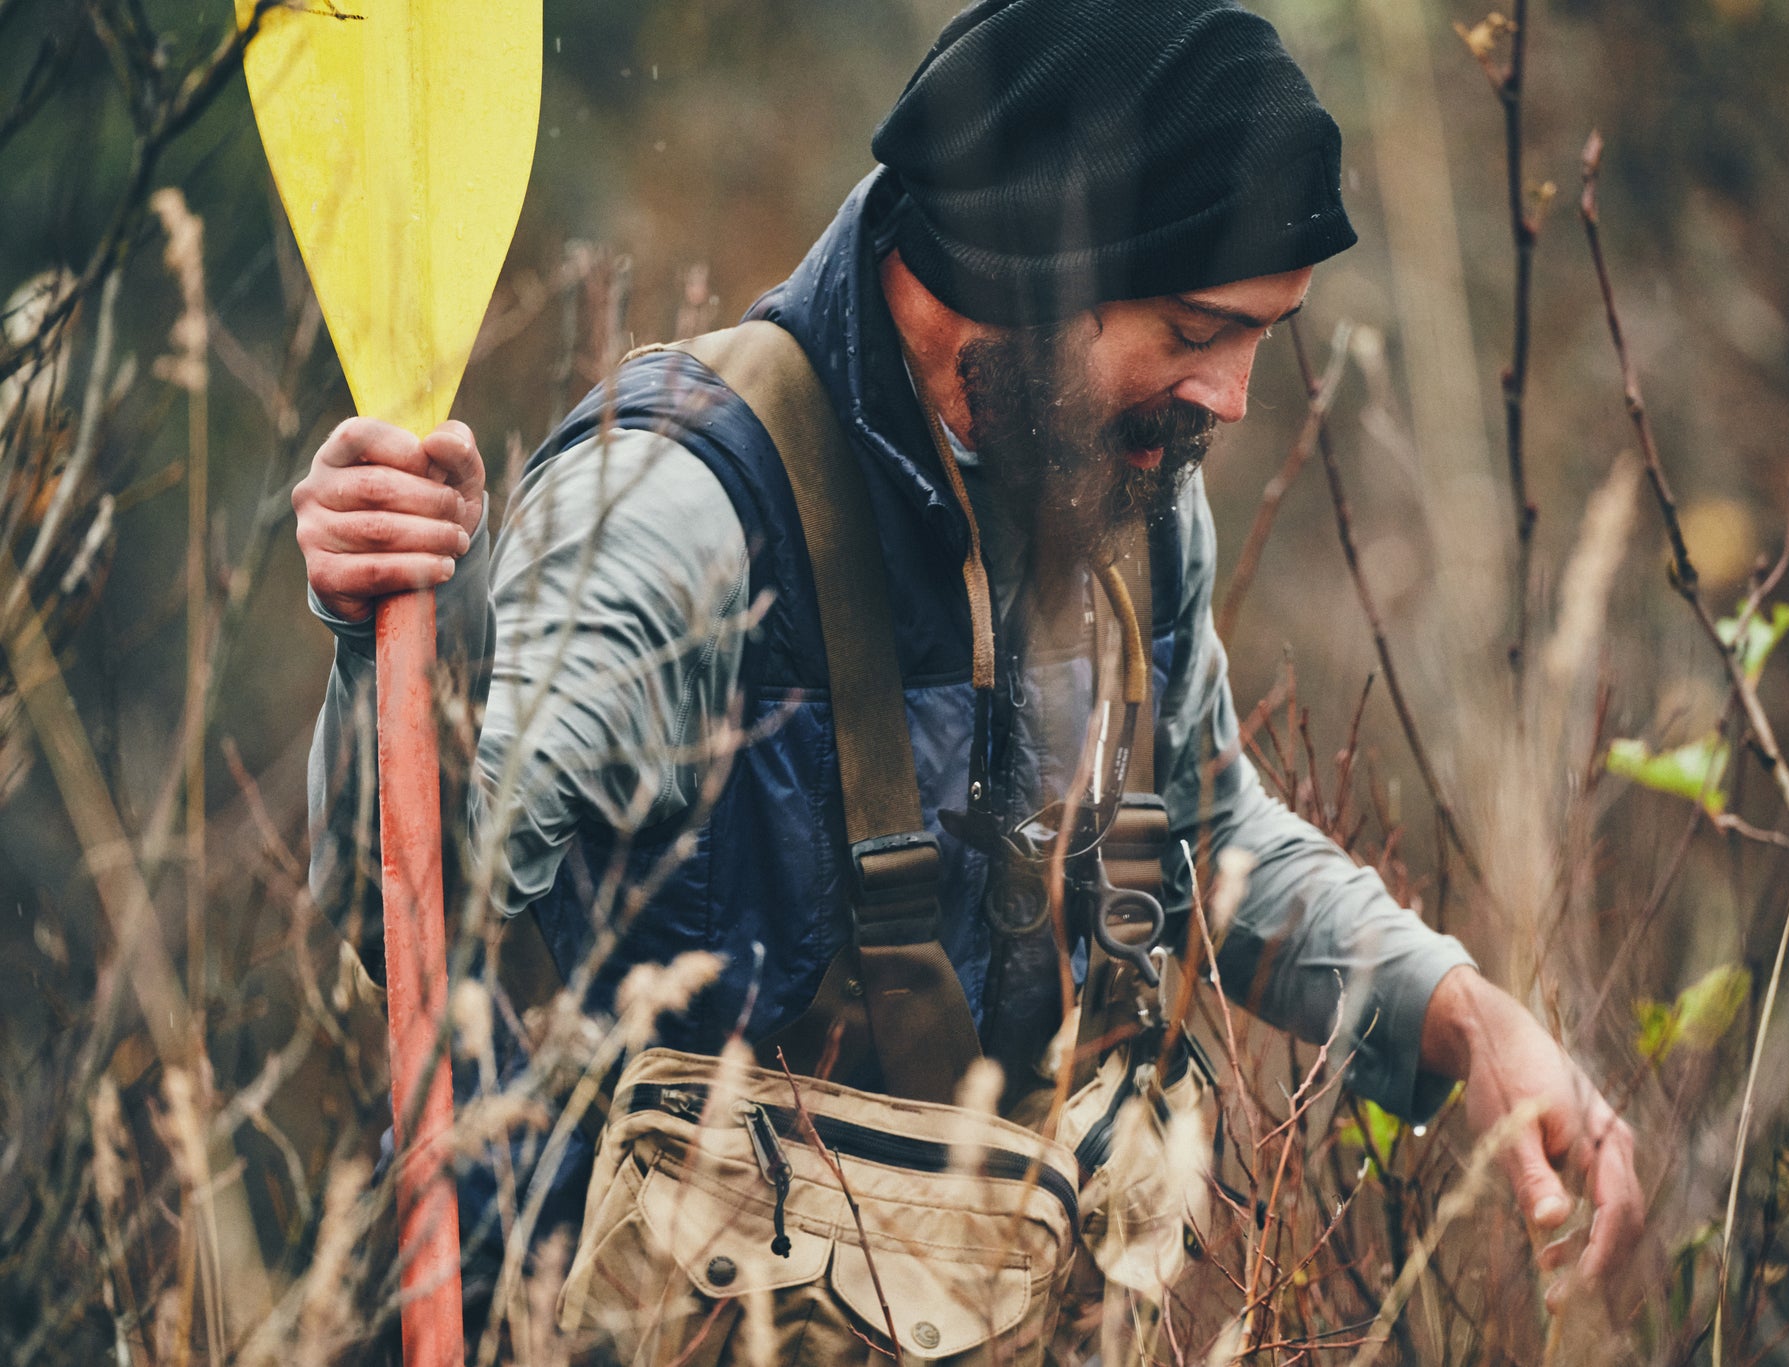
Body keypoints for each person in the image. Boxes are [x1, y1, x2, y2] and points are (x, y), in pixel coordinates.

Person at [296, 0, 1642, 1336]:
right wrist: (390, 646)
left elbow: (1204, 839)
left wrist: (1462, 1017)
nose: (1230, 398)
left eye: (1258, 339)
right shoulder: (680, 505)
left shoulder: (1122, 470)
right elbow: (423, 914)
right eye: (1191, 329)